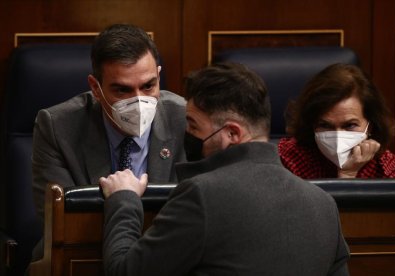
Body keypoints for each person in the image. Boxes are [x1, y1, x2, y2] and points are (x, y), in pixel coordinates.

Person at [99, 62, 350, 275]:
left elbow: (124, 271)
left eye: (193, 126)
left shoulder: (202, 196)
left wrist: (124, 199)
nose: (187, 134)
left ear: (232, 133)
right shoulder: (324, 205)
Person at [32, 24, 187, 230]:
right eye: (123, 90)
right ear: (96, 88)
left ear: (159, 77)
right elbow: (63, 224)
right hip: (85, 254)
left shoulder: (185, 119)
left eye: (148, 86)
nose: (139, 102)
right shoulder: (57, 127)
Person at [278, 63, 395, 179]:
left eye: (350, 125)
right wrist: (346, 175)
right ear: (311, 124)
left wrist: (348, 173)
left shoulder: (385, 167)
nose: (337, 138)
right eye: (325, 125)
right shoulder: (287, 159)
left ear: (370, 126)